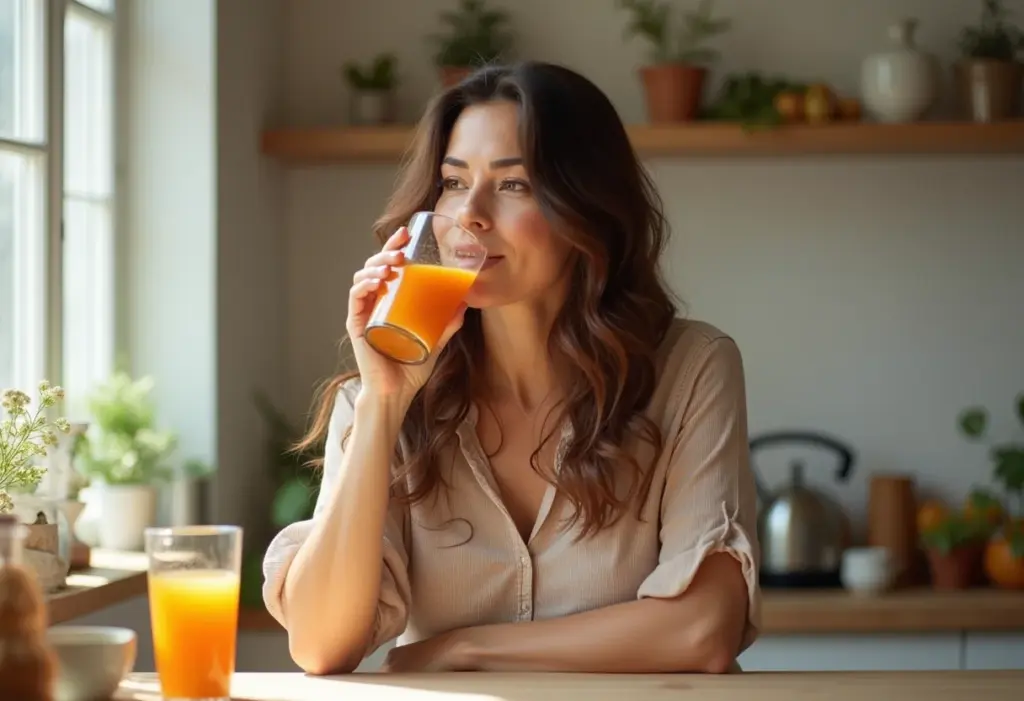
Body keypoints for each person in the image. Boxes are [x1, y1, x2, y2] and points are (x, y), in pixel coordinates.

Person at [262, 61, 760, 676]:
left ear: (588, 209)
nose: (470, 212)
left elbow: (704, 630)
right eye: (451, 181)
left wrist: (465, 647)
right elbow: (319, 644)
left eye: (514, 185)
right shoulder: (383, 396)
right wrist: (384, 404)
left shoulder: (691, 370)